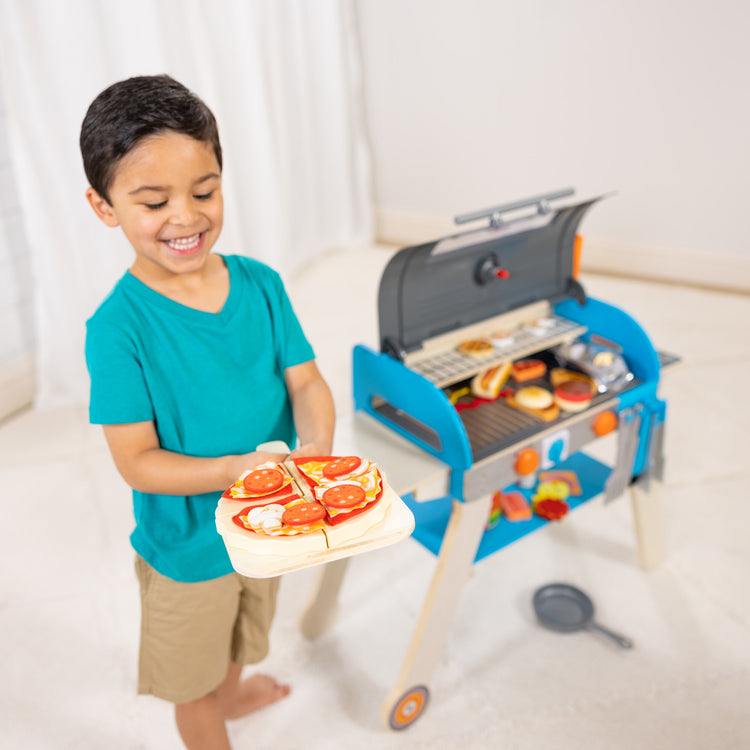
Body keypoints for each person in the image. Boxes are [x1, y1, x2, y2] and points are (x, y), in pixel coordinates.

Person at [80, 74, 335, 750]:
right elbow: (136, 462)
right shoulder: (117, 330)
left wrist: (315, 449)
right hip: (189, 547)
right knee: (191, 687)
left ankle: (234, 688)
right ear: (104, 207)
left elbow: (307, 384)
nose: (187, 217)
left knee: (248, 627)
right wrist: (237, 469)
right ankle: (212, 708)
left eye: (205, 191)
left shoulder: (261, 284)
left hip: (268, 519)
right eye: (153, 201)